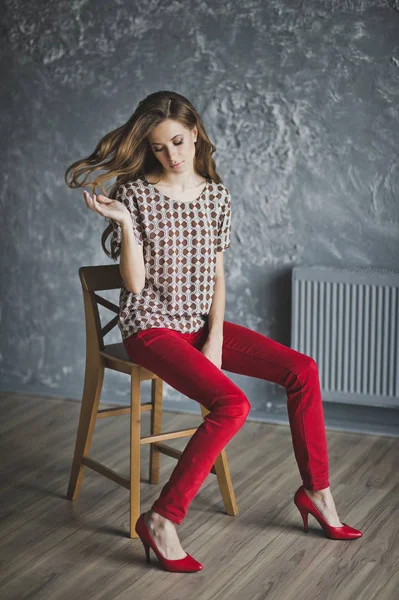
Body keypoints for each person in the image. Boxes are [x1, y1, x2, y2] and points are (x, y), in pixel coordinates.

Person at [65, 90, 362, 573]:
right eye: (160, 147)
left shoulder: (217, 196)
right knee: (234, 405)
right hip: (151, 329)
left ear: (195, 132)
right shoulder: (136, 194)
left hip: (199, 325)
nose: (172, 154)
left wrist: (216, 336)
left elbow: (218, 274)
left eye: (178, 142)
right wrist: (124, 225)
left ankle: (317, 493)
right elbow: (135, 286)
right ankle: (162, 519)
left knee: (302, 369)